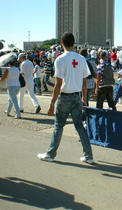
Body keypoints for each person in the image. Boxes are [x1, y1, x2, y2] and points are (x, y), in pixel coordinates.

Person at [37, 32, 94, 164]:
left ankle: (51, 154)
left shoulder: (60, 59)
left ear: (61, 43)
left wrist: (52, 103)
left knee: (58, 126)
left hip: (64, 97)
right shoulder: (81, 59)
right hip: (77, 97)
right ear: (74, 43)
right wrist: (84, 98)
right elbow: (84, 82)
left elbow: (58, 84)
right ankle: (88, 155)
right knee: (80, 126)